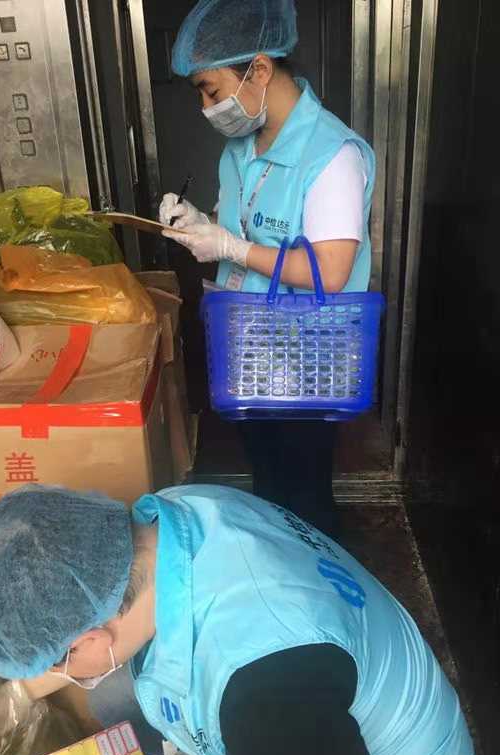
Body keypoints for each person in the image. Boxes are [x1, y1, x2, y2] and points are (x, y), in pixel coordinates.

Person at [0, 484, 476, 755]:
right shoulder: (170, 515)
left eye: (55, 663)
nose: (56, 675)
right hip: (318, 710)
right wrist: (17, 693)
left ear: (92, 637)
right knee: (111, 694)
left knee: (110, 694)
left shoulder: (264, 698)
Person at [159, 0, 376, 536]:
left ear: (258, 68)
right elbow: (246, 223)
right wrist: (202, 224)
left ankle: (319, 578)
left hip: (308, 357)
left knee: (304, 495)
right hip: (252, 351)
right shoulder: (241, 148)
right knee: (270, 485)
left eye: (211, 90)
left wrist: (230, 247)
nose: (207, 107)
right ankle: (279, 573)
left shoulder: (331, 155)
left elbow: (329, 271)